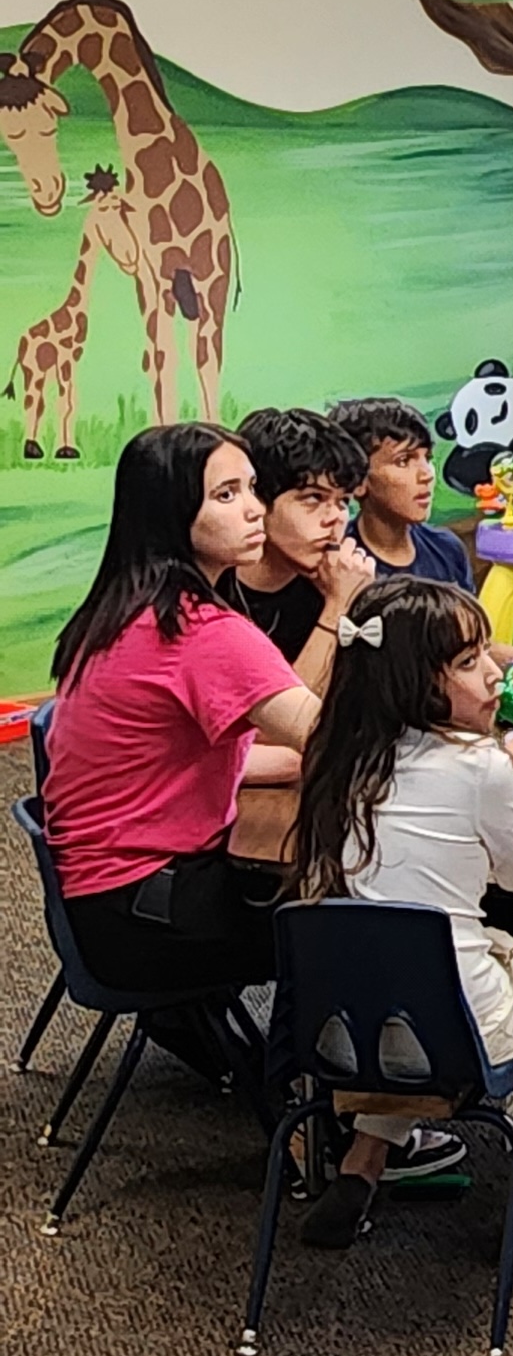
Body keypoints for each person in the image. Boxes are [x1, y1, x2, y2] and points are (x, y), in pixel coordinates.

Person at [289, 574, 513, 1266]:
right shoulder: (481, 768)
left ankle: (361, 1164)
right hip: (449, 1037)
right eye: (471, 662)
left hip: (338, 1033)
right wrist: (511, 771)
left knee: (413, 977)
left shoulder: (334, 755)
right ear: (420, 683)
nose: (494, 674)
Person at [41, 423, 318, 1002]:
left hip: (102, 908)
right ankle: (315, 1058)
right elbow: (335, 736)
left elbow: (168, 761)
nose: (255, 510)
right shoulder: (199, 631)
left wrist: (297, 760)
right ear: (171, 514)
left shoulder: (121, 609)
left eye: (252, 489)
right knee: (361, 917)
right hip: (146, 916)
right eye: (226, 495)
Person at [229, 407, 373, 696]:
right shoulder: (210, 594)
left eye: (343, 501)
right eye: (314, 498)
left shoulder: (337, 582)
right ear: (258, 501)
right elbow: (287, 717)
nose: (335, 518)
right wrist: (337, 608)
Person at [327, 396, 473, 588]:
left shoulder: (448, 550)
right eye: (403, 461)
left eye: (427, 458)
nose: (427, 475)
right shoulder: (338, 564)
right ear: (359, 480)